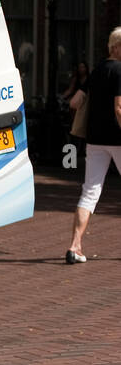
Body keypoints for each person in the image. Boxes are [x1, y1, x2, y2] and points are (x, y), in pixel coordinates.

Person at [66, 28, 121, 263]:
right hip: (118, 139)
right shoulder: (120, 71)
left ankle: (74, 246)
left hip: (95, 140)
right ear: (117, 47)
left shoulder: (97, 70)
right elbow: (119, 108)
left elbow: (75, 102)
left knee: (89, 193)